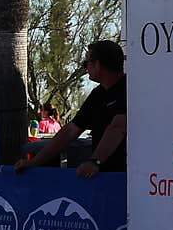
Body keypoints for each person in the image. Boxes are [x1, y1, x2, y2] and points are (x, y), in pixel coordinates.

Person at [16, 40, 125, 178]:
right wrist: (34, 162)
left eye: (86, 63)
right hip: (103, 176)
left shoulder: (127, 90)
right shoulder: (98, 94)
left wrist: (95, 161)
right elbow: (71, 130)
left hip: (130, 177)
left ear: (97, 64)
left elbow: (118, 127)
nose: (85, 68)